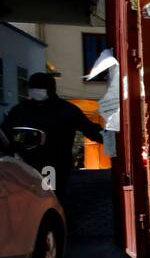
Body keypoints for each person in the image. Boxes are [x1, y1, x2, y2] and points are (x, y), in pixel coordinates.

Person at [1, 72, 103, 206]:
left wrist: (110, 139)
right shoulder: (21, 109)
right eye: (31, 88)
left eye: (35, 88)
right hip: (25, 163)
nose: (32, 91)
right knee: (26, 199)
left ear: (48, 90)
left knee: (50, 198)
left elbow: (90, 129)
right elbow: (5, 133)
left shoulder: (66, 110)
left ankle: (58, 222)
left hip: (54, 164)